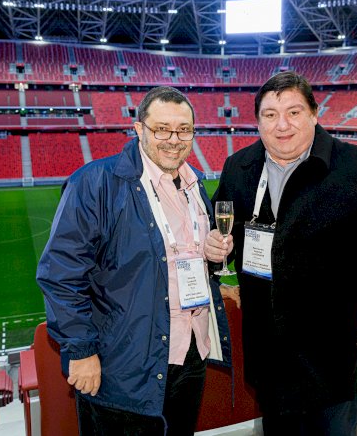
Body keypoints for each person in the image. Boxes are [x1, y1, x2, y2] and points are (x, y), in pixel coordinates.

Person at [204, 71, 357, 435]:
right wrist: (213, 247)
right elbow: (219, 228)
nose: (282, 125)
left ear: (314, 114)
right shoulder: (239, 167)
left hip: (327, 356)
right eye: (270, 115)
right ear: (258, 122)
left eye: (294, 112)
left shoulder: (354, 166)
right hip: (267, 351)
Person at [36, 86, 238, 436]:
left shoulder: (194, 184)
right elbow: (60, 275)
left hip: (190, 354)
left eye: (184, 130)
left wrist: (208, 254)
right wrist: (81, 350)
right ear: (139, 129)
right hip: (124, 365)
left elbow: (169, 259)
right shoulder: (96, 182)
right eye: (162, 129)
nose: (174, 140)